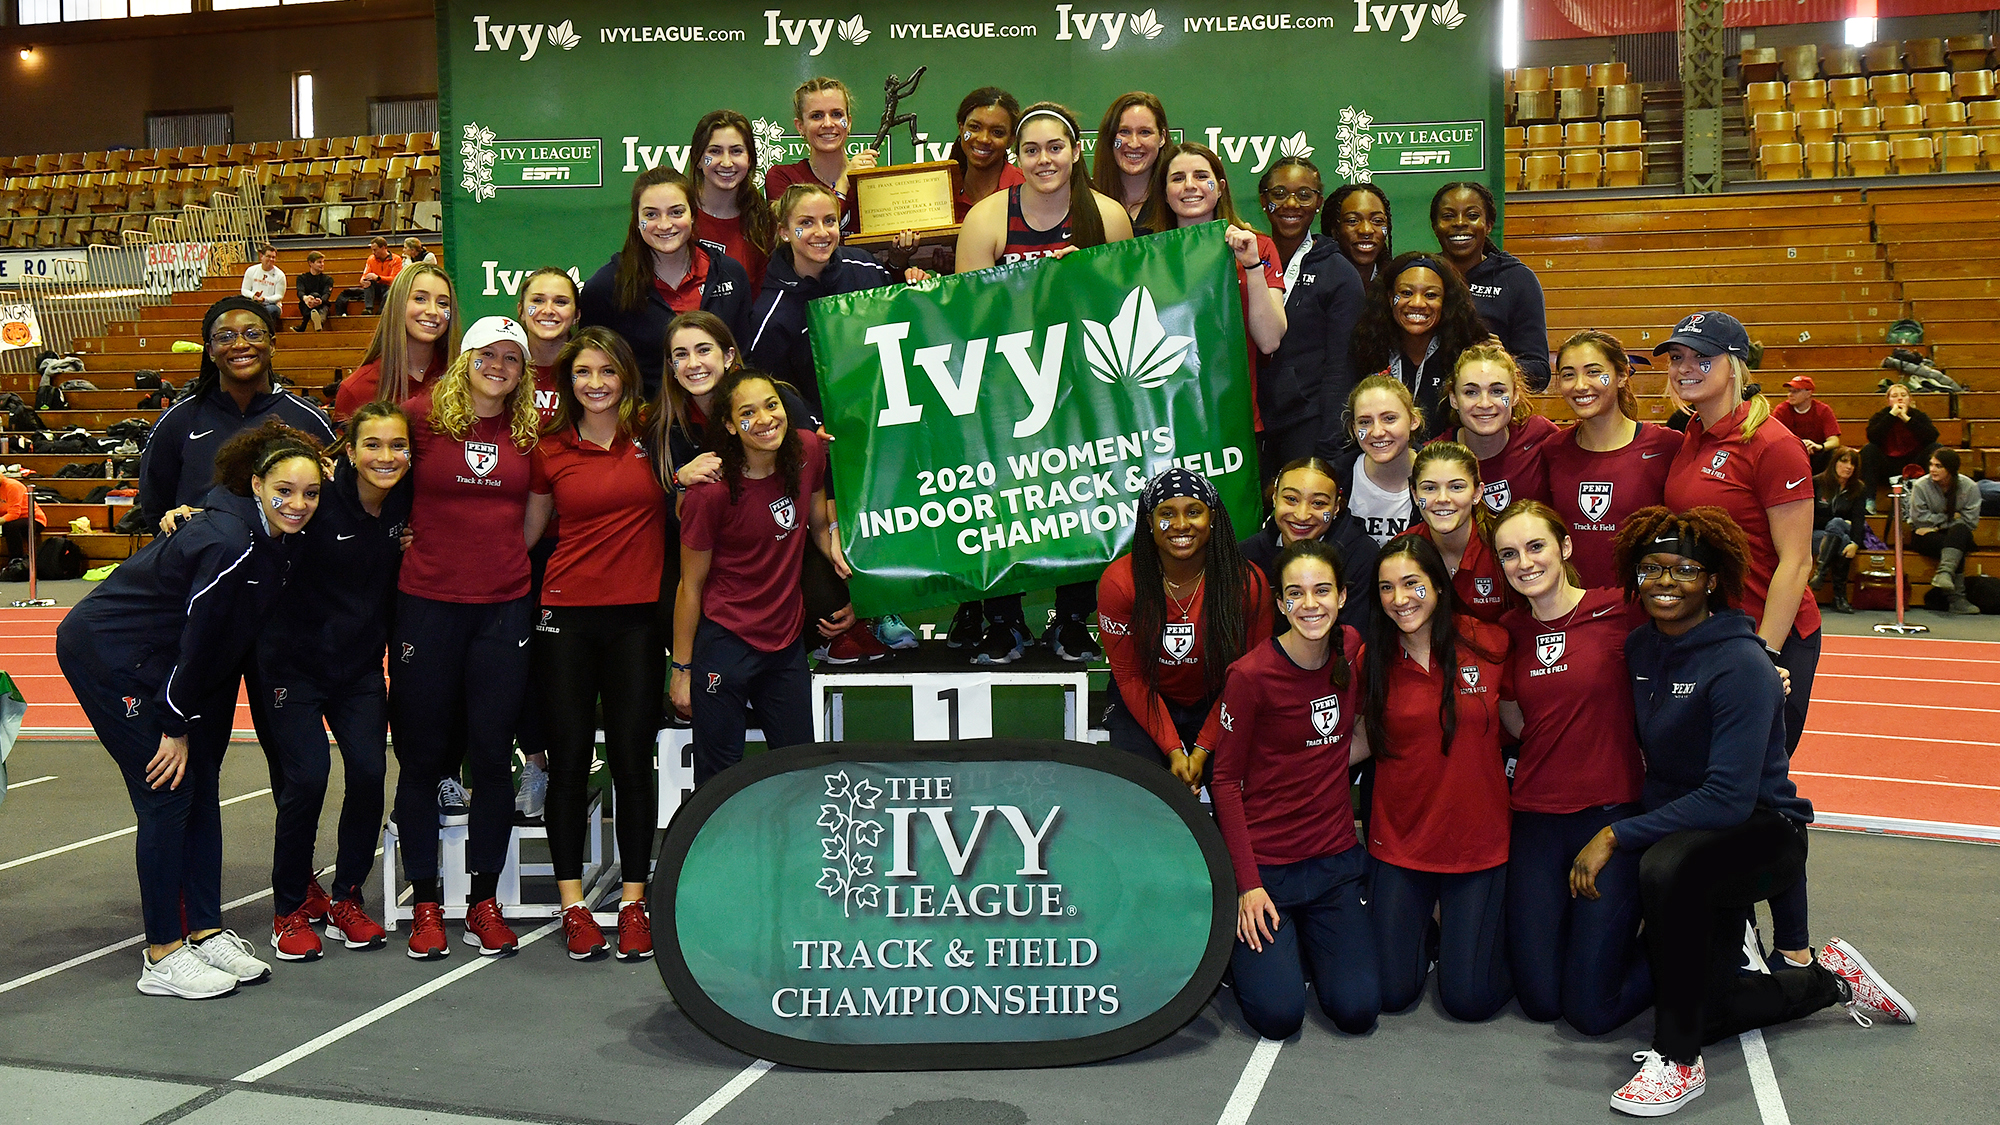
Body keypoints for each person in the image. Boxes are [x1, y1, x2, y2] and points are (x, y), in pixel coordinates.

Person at [1586, 506, 1913, 1116]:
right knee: (1705, 1009)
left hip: (1762, 835)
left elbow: (1729, 798)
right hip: (1694, 835)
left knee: (1666, 867)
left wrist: (1615, 834)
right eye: (1651, 568)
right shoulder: (1639, 649)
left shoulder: (1742, 664)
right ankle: (1831, 980)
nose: (1665, 581)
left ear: (1712, 580)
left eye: (1684, 570)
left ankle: (1679, 1063)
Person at [56, 422, 325, 998]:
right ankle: (161, 954)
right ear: (256, 485)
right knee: (168, 791)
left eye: (311, 492)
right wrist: (174, 724)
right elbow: (198, 641)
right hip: (112, 655)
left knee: (202, 785)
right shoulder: (231, 545)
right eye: (284, 490)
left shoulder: (269, 531)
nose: (298, 504)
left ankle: (204, 931)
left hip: (166, 662)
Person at [1658, 310, 1821, 975]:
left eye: (1700, 357)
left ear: (1735, 363)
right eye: (1676, 358)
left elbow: (1796, 563)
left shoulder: (1773, 442)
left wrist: (1765, 656)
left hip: (1766, 643)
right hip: (1712, 644)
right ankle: (1742, 938)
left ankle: (1796, 951)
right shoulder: (1690, 434)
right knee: (1723, 795)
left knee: (1763, 799)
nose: (1685, 368)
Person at [950, 101, 1133, 665]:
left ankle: (1074, 617)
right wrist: (1038, 285)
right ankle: (1005, 621)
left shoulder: (1107, 217)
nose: (1044, 159)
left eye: (1056, 147)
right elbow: (964, 316)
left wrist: (1084, 282)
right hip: (1006, 383)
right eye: (1031, 150)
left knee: (1081, 493)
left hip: (1082, 380)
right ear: (1017, 158)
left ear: (1076, 153)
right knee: (1003, 497)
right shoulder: (987, 217)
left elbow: (1126, 305)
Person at [388, 315, 542, 960]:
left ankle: (483, 900)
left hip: (501, 609)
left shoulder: (530, 430)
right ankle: (426, 900)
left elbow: (536, 511)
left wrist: (498, 560)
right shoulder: (421, 418)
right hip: (425, 605)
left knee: (490, 754)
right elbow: (381, 483)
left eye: (512, 356)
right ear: (466, 357)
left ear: (522, 369)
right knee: (422, 757)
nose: (498, 364)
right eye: (487, 352)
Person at [523, 327, 668, 962]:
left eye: (608, 371)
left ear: (626, 377)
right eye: (584, 372)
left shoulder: (658, 443)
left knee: (636, 765)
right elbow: (522, 537)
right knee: (569, 765)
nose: (596, 383)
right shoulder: (550, 453)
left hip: (636, 625)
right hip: (565, 623)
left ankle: (634, 903)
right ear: (569, 381)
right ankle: (574, 905)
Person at [257, 401, 413, 962]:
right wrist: (191, 512)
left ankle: (347, 897)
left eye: (398, 446)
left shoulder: (406, 504)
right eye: (372, 445)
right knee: (308, 780)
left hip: (360, 672)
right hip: (291, 669)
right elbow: (254, 504)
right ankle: (290, 907)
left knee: (371, 775)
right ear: (348, 451)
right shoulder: (316, 501)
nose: (386, 457)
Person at [1491, 500, 1650, 1036]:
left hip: (1608, 820)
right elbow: (1512, 720)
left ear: (1565, 547)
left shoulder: (1621, 609)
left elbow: (1693, 635)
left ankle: (1698, 939)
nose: (1524, 563)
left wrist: (1760, 662)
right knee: (1539, 1000)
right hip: (1536, 817)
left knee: (1590, 1011)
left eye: (1536, 547)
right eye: (1509, 554)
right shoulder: (1508, 630)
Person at [1210, 539, 1380, 1039]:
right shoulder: (1250, 676)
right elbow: (1223, 782)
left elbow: (1349, 737)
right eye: (1296, 593)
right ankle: (1250, 949)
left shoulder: (1351, 646)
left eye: (1322, 590)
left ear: (1343, 595)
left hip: (1333, 864)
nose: (1311, 604)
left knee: (1357, 1010)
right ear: (1281, 603)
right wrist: (1247, 884)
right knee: (1278, 1016)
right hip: (1268, 872)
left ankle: (1310, 945)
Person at [1359, 533, 1517, 1022]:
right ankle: (1428, 932)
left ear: (1440, 586)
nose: (1400, 599)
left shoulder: (1490, 642)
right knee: (1390, 994)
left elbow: (1521, 722)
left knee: (1467, 1000)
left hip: (1477, 844)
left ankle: (1509, 943)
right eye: (1387, 588)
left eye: (1412, 583)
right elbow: (1357, 742)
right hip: (1401, 843)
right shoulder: (1372, 661)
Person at [672, 368, 846, 783]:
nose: (766, 419)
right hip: (726, 645)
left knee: (798, 772)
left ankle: (794, 850)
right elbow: (690, 587)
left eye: (772, 405)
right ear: (730, 426)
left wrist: (836, 551)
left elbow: (820, 521)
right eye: (748, 412)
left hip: (786, 644)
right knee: (718, 782)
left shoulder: (807, 452)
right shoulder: (710, 494)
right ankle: (716, 850)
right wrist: (682, 671)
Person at [1099, 468, 1271, 789]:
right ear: (1149, 522)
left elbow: (1247, 679)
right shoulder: (1120, 582)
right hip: (1146, 699)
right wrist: (1174, 751)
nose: (1180, 525)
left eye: (1194, 512)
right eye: (1167, 514)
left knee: (1236, 790)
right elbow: (1130, 677)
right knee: (1144, 791)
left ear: (1213, 518)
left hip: (1219, 700)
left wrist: (1202, 750)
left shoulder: (1247, 583)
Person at [140, 296, 337, 532]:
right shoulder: (177, 421)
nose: (240, 344)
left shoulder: (308, 419)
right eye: (226, 337)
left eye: (253, 334)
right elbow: (155, 507)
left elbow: (332, 499)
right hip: (204, 563)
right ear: (210, 351)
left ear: (272, 345)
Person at [1140, 143, 1286, 430]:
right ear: (1165, 193)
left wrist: (1252, 266)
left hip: (1234, 417)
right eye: (1178, 178)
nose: (1190, 186)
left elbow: (1269, 340)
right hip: (1166, 421)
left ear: (1219, 187)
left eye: (1200, 176)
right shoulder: (1144, 257)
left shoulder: (1257, 246)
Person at [579, 166, 753, 398]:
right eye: (651, 214)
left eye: (676, 212)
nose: (664, 225)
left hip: (722, 421)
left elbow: (745, 358)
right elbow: (592, 368)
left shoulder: (730, 274)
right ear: (637, 220)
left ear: (693, 215)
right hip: (646, 424)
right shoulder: (606, 287)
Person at [1541, 330, 1681, 588]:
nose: (1580, 385)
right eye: (1569, 375)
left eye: (1593, 372)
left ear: (1621, 375)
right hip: (1576, 611)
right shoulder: (1553, 450)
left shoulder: (1666, 446)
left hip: (1644, 611)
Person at [749, 183, 898, 422]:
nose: (821, 232)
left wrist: (914, 284)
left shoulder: (866, 266)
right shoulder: (771, 313)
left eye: (829, 220)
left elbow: (901, 324)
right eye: (806, 223)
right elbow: (772, 385)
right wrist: (810, 423)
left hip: (892, 407)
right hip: (830, 429)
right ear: (784, 232)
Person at [1252, 157, 1363, 471]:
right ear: (1263, 201)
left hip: (1307, 425)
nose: (1291, 204)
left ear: (1319, 203)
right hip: (1250, 423)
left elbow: (1341, 369)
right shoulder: (1248, 259)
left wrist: (1328, 443)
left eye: (1304, 195)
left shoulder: (1339, 272)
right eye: (1279, 194)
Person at [1430, 181, 1550, 392]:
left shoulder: (1517, 279)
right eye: (1448, 216)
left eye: (1472, 215)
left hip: (1488, 414)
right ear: (1434, 225)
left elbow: (1540, 372)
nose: (1459, 223)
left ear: (1489, 224)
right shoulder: (1422, 274)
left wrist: (1501, 362)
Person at [1350, 251, 1486, 434]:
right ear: (1390, 298)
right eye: (1406, 293)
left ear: (1445, 301)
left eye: (1430, 295)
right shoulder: (1366, 350)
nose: (1417, 303)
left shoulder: (1465, 357)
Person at [1238, 456, 1378, 635]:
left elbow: (1356, 638)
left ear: (1336, 508)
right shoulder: (1245, 557)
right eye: (1291, 499)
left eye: (1318, 503)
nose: (1302, 515)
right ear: (1274, 497)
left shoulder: (1361, 555)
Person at [1437, 343, 1558, 515]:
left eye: (1497, 391)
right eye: (1471, 392)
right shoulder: (1436, 455)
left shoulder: (1541, 435)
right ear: (1454, 399)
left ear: (1515, 395)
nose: (1485, 404)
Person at [331, 263, 459, 422]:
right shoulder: (356, 389)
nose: (433, 311)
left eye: (443, 303)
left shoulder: (462, 379)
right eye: (420, 299)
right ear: (397, 304)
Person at [1402, 441, 1511, 622]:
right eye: (1429, 488)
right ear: (1414, 494)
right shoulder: (1401, 550)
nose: (1442, 499)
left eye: (1456, 487)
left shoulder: (1504, 544)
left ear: (1477, 493)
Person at [762, 77, 873, 236]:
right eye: (816, 116)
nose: (828, 124)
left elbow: (879, 253)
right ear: (800, 126)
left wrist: (898, 257)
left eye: (836, 114)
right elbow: (793, 243)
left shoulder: (867, 181)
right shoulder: (784, 178)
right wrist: (843, 183)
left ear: (848, 123)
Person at [689, 110, 775, 293]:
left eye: (736, 151)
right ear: (698, 159)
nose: (727, 162)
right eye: (715, 151)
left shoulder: (763, 222)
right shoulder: (677, 216)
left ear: (750, 159)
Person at [1340, 375, 1420, 545]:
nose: (1377, 432)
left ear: (1414, 420)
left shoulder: (1440, 475)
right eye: (1365, 422)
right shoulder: (1336, 479)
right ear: (1354, 429)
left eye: (1389, 418)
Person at [1905, 447, 1982, 615]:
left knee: (1959, 532)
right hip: (1924, 536)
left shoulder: (1969, 487)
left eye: (1938, 466)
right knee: (1956, 543)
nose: (1932, 469)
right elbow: (1919, 518)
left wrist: (1937, 524)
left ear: (1950, 469)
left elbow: (1971, 522)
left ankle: (1945, 573)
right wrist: (1950, 519)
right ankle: (1957, 598)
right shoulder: (1921, 486)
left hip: (1952, 533)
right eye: (1931, 464)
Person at [1090, 92, 1169, 227]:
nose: (1134, 144)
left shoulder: (1175, 203)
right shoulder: (1088, 203)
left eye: (1145, 132)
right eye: (1124, 132)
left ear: (1162, 137)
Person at [948, 87, 1024, 223]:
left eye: (997, 132)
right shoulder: (941, 192)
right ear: (961, 128)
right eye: (974, 127)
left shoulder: (1025, 190)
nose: (984, 139)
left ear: (1011, 139)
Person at [1811, 446, 1867, 614]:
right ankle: (1839, 597)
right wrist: (1841, 523)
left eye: (1853, 464)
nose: (1849, 467)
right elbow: (1810, 517)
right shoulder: (1817, 482)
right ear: (1834, 463)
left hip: (1838, 536)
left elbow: (1858, 520)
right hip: (1815, 535)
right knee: (1839, 529)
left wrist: (1856, 544)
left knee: (1842, 535)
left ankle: (1821, 573)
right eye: (1844, 462)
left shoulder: (1859, 488)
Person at [1860, 381, 1940, 497]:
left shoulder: (1918, 415)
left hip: (1915, 463)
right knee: (1869, 450)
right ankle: (1869, 499)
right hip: (1888, 464)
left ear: (1910, 399)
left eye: (1903, 395)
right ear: (1888, 401)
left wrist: (1907, 419)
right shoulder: (1881, 416)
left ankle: (1934, 496)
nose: (1900, 399)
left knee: (1936, 449)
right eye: (1894, 396)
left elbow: (1932, 436)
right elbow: (1872, 437)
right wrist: (1891, 416)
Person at [1321, 183, 1391, 288]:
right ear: (1334, 230)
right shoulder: (1317, 283)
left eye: (1377, 220)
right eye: (1352, 221)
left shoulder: (1395, 284)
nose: (1366, 230)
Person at [1776, 375, 1842, 472]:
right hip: (1791, 455)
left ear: (1809, 393)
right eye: (1789, 391)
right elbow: (1775, 440)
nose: (1790, 394)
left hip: (1817, 456)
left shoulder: (1823, 410)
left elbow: (1834, 441)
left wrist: (1818, 447)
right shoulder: (1782, 410)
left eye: (1795, 391)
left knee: (1832, 453)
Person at [1, 469, 47, 560]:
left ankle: (16, 560)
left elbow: (14, 514)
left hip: (33, 519)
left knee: (11, 526)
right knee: (8, 526)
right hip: (12, 521)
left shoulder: (12, 486)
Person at [357, 236, 403, 315]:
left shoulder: (396, 259)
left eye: (375, 250)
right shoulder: (371, 259)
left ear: (383, 248)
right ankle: (368, 309)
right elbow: (365, 275)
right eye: (372, 250)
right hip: (376, 287)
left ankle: (380, 313)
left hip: (388, 286)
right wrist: (363, 281)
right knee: (368, 282)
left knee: (389, 293)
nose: (373, 252)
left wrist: (378, 278)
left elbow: (395, 279)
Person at [240, 245, 284, 325]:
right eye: (268, 256)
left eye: (273, 257)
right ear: (261, 257)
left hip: (271, 305)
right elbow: (244, 290)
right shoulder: (251, 270)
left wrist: (265, 299)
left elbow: (279, 295)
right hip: (253, 303)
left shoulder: (280, 275)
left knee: (268, 311)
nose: (271, 259)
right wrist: (253, 296)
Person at [295, 251, 332, 333]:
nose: (322, 264)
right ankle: (319, 321)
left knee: (321, 304)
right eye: (319, 262)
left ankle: (303, 325)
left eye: (323, 262)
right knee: (311, 300)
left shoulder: (328, 279)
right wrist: (306, 299)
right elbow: (300, 292)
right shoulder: (301, 278)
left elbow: (327, 294)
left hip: (322, 304)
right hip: (306, 304)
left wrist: (320, 301)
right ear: (310, 263)